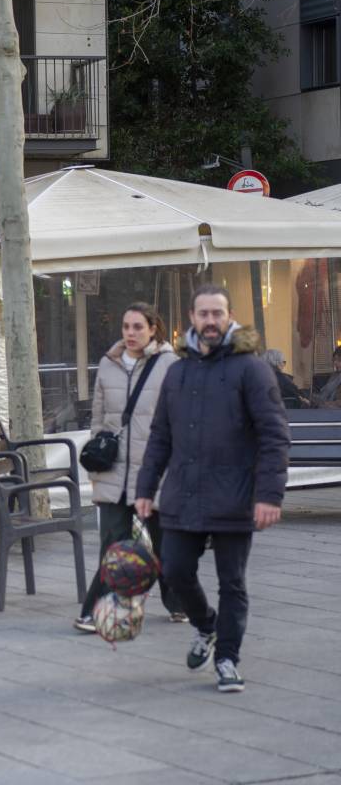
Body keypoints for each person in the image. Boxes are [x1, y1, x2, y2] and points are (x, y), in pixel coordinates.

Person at [135, 284, 290, 693]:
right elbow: (160, 437)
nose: (209, 321)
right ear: (191, 317)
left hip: (234, 496)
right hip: (183, 496)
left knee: (232, 583)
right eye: (202, 314)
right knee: (175, 570)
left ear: (229, 316)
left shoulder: (251, 369)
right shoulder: (178, 371)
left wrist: (269, 495)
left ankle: (227, 659)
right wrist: (145, 487)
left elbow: (275, 436)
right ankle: (206, 627)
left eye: (217, 314)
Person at [74, 303, 184, 633]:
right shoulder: (108, 365)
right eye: (126, 327)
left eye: (138, 327)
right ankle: (94, 612)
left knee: (164, 544)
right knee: (112, 545)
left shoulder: (169, 364)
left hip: (154, 473)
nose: (131, 333)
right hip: (114, 473)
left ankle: (179, 603)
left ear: (154, 329)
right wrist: (98, 451)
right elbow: (97, 416)